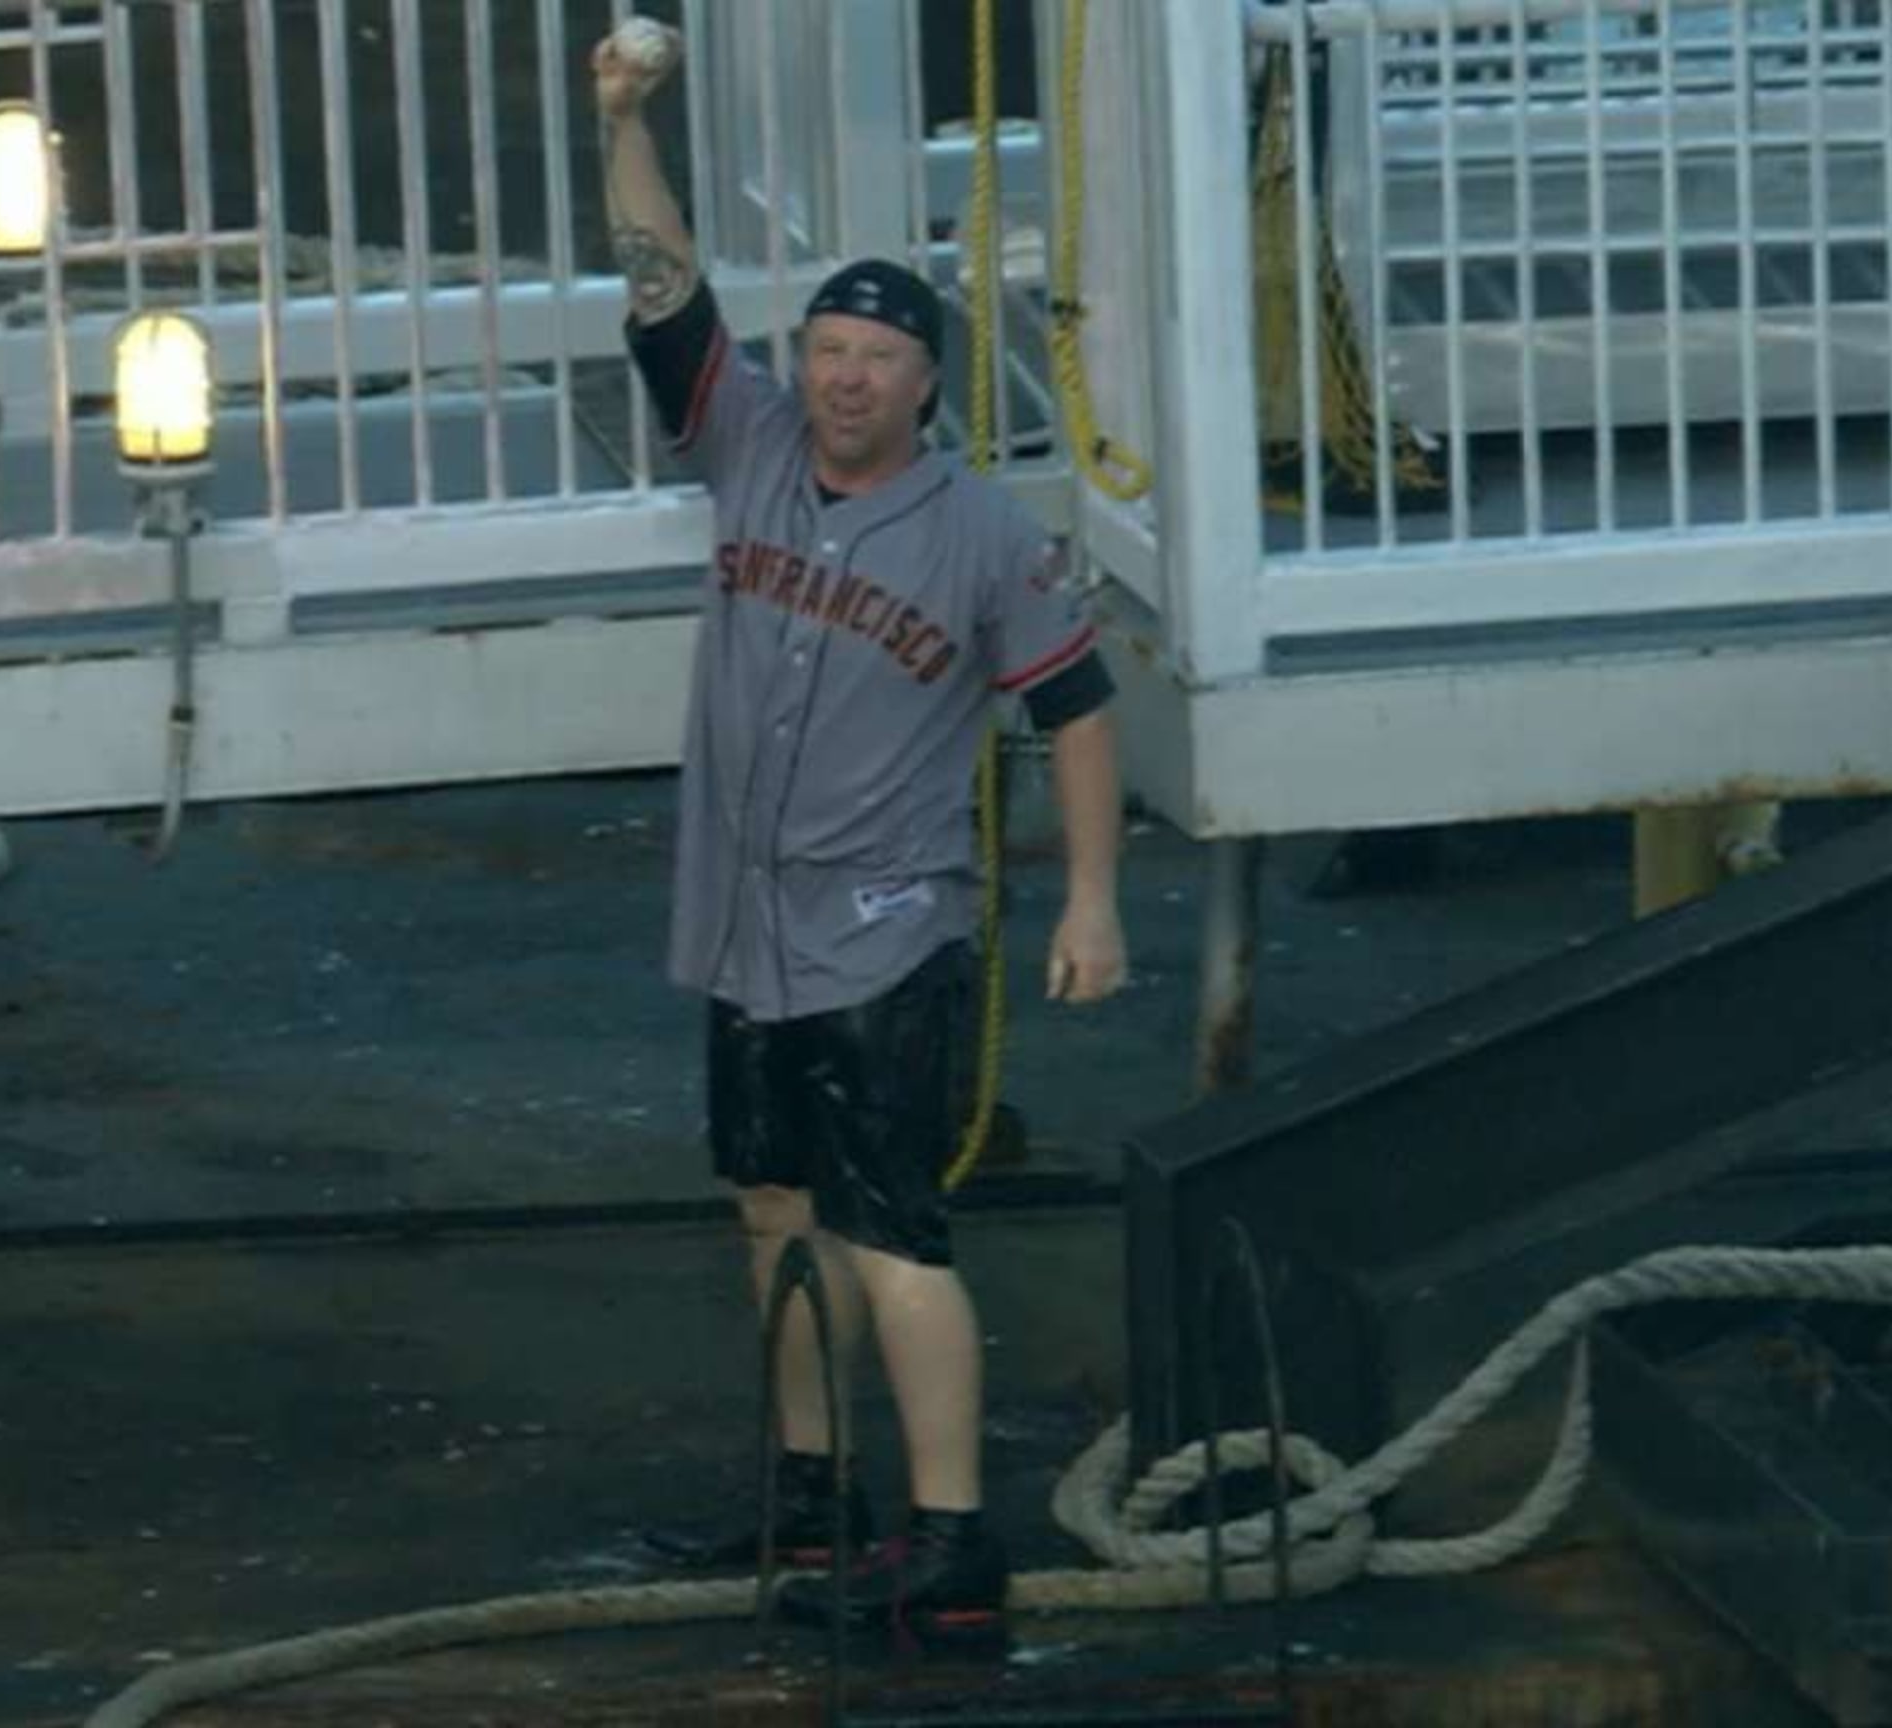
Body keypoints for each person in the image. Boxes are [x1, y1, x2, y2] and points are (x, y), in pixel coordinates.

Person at [593, 26, 1129, 1641]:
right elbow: (661, 282)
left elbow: (1081, 712)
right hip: (747, 919)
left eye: (877, 358)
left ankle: (955, 1541)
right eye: (825, 346)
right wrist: (624, 119)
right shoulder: (744, 444)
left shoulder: (981, 534)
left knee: (894, 1231)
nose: (842, 375)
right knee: (770, 1208)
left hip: (890, 925)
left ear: (924, 384)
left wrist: (1092, 900)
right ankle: (814, 1503)